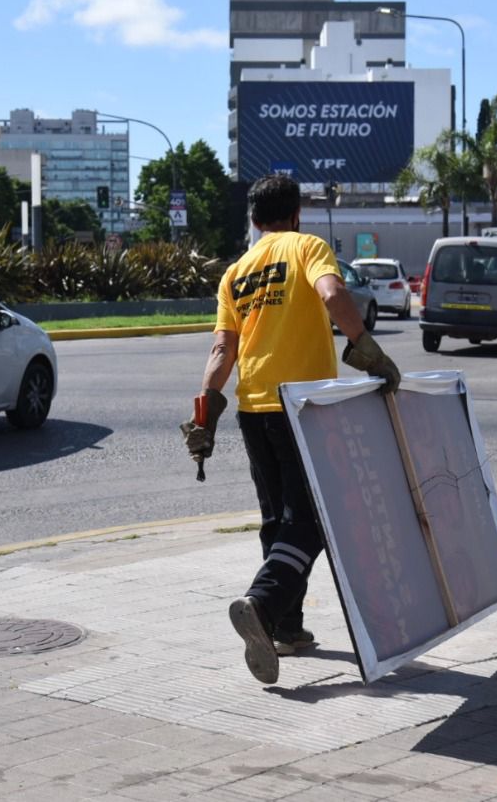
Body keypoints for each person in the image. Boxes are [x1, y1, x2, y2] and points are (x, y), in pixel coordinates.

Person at [181, 174, 400, 685]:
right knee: (314, 518)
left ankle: (286, 627)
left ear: (255, 220)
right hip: (302, 407)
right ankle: (261, 604)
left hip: (253, 407)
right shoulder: (308, 247)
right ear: (295, 214)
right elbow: (332, 292)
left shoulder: (236, 271)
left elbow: (221, 351)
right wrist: (366, 349)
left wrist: (204, 413)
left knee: (278, 520)